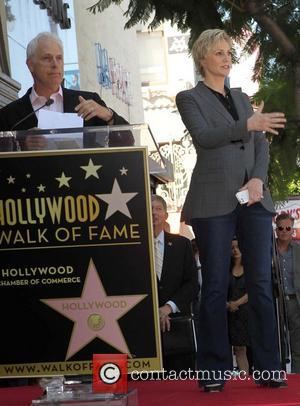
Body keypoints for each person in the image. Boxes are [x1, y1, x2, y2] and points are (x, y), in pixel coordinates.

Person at [176, 29, 287, 391]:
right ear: (203, 58)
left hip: (252, 198)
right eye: (219, 53)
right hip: (212, 201)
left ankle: (269, 368)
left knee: (259, 284)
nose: (226, 59)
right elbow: (205, 137)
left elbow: (260, 145)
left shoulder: (241, 97)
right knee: (215, 288)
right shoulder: (188, 98)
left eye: (229, 53)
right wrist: (248, 124)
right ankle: (212, 372)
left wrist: (257, 180)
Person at [0, 32, 134, 148]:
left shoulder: (88, 102)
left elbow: (128, 141)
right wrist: (22, 145)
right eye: (47, 58)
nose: (55, 64)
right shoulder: (9, 116)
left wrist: (108, 115)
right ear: (30, 65)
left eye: (59, 58)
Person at [151, 194, 199, 372]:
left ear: (165, 214)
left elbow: (193, 283)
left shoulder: (182, 244)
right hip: (146, 328)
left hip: (177, 325)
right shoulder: (134, 245)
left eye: (158, 209)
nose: (154, 213)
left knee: (180, 386)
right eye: (150, 209)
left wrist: (168, 307)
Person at [276, 213, 300, 373]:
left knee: (297, 342)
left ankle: (297, 377)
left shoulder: (298, 250)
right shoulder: (268, 249)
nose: (284, 231)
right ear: (276, 229)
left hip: (294, 301)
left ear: (292, 230)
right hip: (276, 301)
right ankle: (280, 375)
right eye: (280, 228)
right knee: (278, 341)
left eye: (287, 228)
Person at [227, 239, 249, 376]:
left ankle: (246, 376)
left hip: (245, 311)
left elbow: (252, 291)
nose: (235, 250)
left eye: (238, 247)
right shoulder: (226, 269)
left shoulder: (249, 267)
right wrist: (228, 304)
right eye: (232, 247)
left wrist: (237, 303)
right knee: (236, 348)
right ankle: (240, 376)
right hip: (228, 311)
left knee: (243, 347)